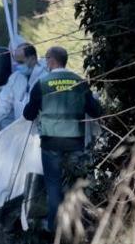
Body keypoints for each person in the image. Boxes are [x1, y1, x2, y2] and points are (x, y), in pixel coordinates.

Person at [23, 46, 102, 234]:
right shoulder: (79, 82)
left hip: (51, 143)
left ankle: (55, 232)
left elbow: (28, 114)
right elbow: (96, 111)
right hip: (75, 142)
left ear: (51, 60)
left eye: (46, 58)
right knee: (76, 187)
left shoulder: (42, 83)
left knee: (53, 188)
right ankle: (76, 229)